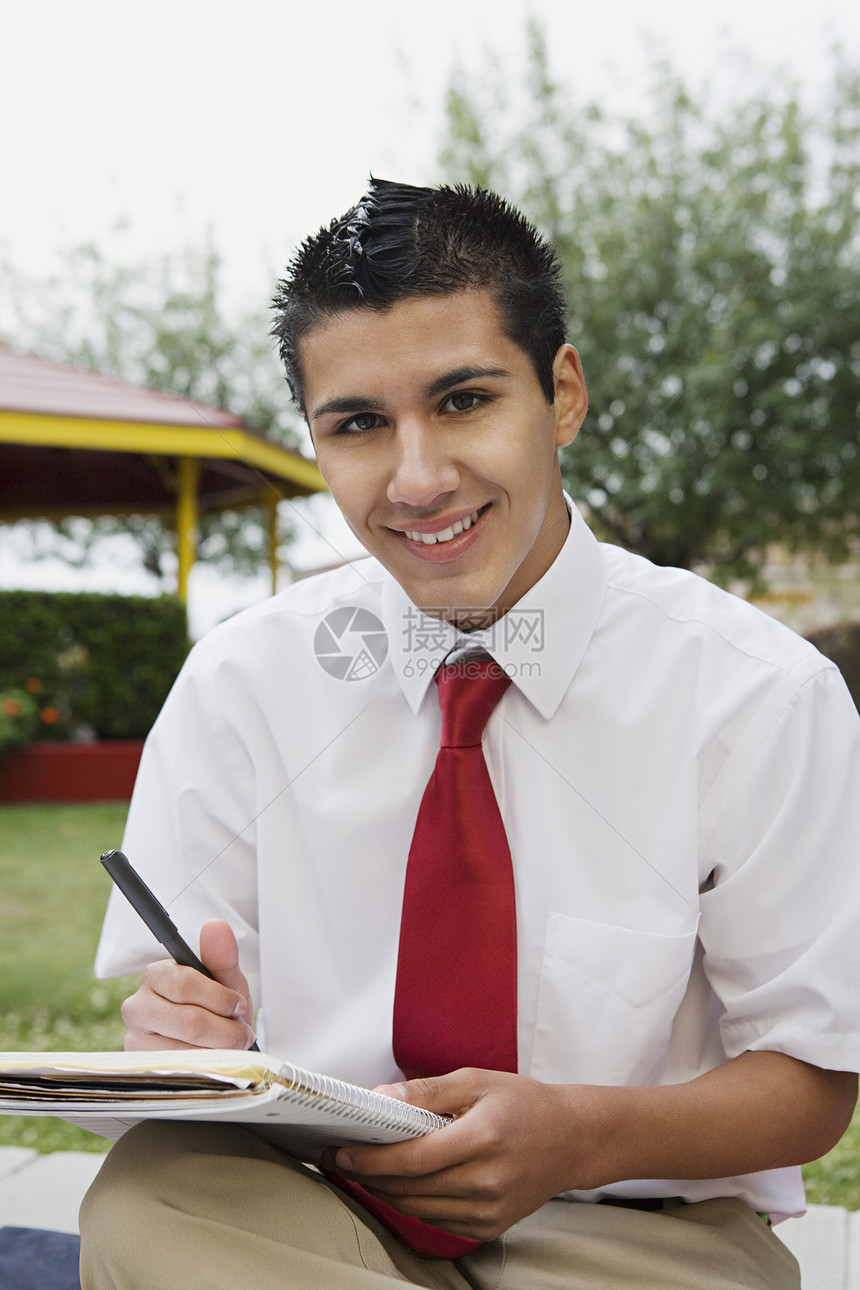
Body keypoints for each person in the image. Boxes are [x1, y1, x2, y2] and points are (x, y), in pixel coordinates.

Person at [79, 179, 860, 1290]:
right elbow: (164, 1043)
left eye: (461, 402)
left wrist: (580, 1135)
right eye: (357, 424)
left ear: (563, 394)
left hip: (634, 1232)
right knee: (149, 1199)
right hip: (303, 1212)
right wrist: (176, 1038)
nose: (417, 479)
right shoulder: (238, 686)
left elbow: (812, 1084)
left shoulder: (759, 695)